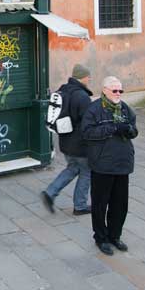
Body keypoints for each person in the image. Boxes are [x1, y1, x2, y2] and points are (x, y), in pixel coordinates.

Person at [81, 76, 138, 256]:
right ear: (105, 90)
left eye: (121, 90)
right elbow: (87, 133)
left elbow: (134, 130)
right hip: (102, 165)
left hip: (122, 164)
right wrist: (113, 128)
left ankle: (115, 235)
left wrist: (130, 131)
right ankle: (101, 238)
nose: (118, 94)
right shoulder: (94, 109)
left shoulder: (125, 109)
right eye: (115, 90)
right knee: (100, 205)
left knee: (120, 205)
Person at [41, 64, 93, 215]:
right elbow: (87, 122)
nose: (89, 79)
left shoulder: (63, 90)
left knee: (73, 168)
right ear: (83, 77)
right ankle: (80, 206)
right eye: (88, 76)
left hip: (65, 141)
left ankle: (50, 192)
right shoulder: (82, 96)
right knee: (86, 171)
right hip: (79, 144)